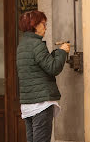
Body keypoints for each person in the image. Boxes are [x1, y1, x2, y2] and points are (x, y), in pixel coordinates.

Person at [16, 10, 70, 142]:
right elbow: (53, 68)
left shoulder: (22, 45)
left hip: (28, 104)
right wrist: (62, 52)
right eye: (43, 24)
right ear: (34, 25)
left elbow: (40, 66)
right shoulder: (37, 45)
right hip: (40, 104)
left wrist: (56, 53)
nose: (45, 27)